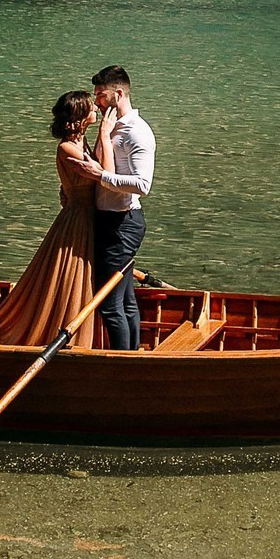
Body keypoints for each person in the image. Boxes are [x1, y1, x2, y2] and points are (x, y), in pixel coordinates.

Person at [0, 91, 105, 347]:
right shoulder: (68, 147)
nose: (96, 109)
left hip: (85, 216)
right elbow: (103, 174)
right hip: (79, 221)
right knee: (74, 277)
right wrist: (108, 132)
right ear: (79, 116)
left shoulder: (82, 142)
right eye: (91, 106)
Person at [89, 64, 155, 351]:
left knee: (110, 304)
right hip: (110, 220)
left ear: (118, 93)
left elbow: (142, 185)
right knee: (125, 301)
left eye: (101, 95)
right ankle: (132, 357)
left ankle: (121, 364)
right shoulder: (110, 125)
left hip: (123, 222)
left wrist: (99, 176)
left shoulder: (137, 132)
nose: (96, 101)